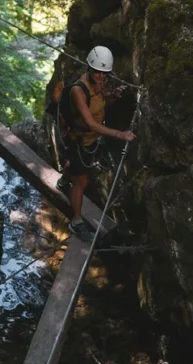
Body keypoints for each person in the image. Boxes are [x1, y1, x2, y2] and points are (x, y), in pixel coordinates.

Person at [57, 46, 136, 242]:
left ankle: (63, 181)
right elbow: (90, 122)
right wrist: (119, 134)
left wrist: (112, 97)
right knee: (82, 181)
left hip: (90, 139)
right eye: (97, 71)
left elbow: (99, 106)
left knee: (75, 168)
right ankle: (76, 222)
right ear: (89, 68)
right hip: (78, 139)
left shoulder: (100, 83)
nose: (101, 76)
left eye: (104, 73)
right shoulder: (78, 90)